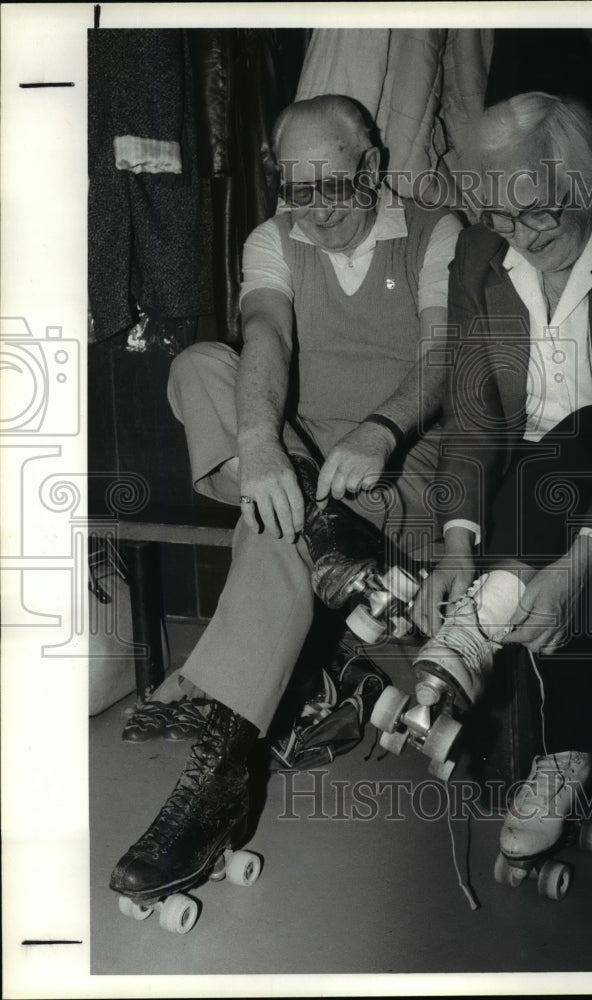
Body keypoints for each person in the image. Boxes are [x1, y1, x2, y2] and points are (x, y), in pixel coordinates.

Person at [110, 95, 462, 902]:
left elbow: (445, 360)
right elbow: (263, 331)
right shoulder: (274, 236)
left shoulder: (435, 234)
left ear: (370, 167)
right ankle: (313, 530)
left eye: (331, 186)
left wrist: (379, 429)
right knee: (200, 361)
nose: (313, 210)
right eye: (295, 190)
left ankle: (212, 787)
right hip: (300, 465)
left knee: (270, 528)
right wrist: (265, 445)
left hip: (389, 482)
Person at [408, 92, 592, 864]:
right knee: (540, 470)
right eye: (499, 216)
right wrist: (456, 546)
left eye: (537, 210)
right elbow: (472, 419)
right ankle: (553, 735)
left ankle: (494, 665)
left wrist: (579, 567)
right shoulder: (479, 255)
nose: (520, 234)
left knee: (574, 443)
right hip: (527, 485)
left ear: (584, 185)